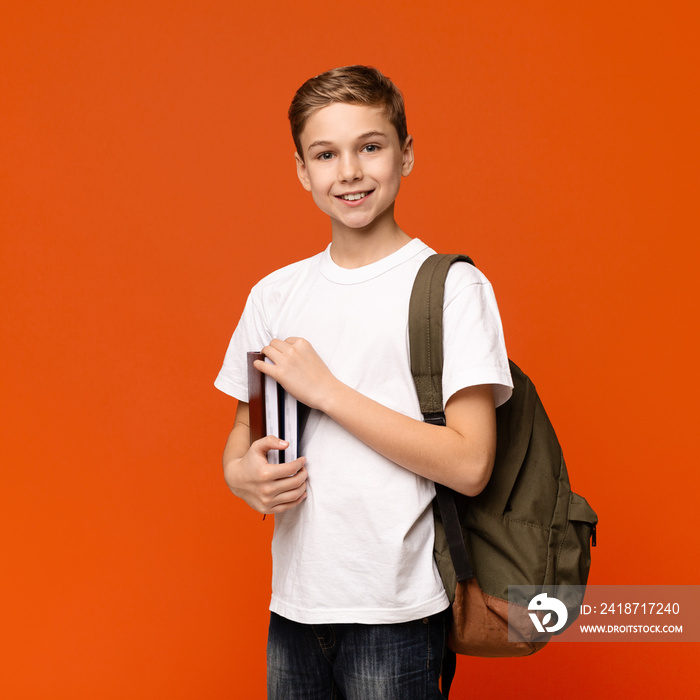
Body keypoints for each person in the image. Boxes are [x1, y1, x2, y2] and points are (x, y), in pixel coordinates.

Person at [215, 65, 513, 699]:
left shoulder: (451, 289)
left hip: (398, 612)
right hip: (295, 607)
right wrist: (240, 475)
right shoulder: (275, 294)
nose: (348, 170)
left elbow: (469, 464)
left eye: (370, 146)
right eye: (326, 154)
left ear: (406, 155)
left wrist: (326, 391)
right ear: (302, 171)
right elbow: (246, 429)